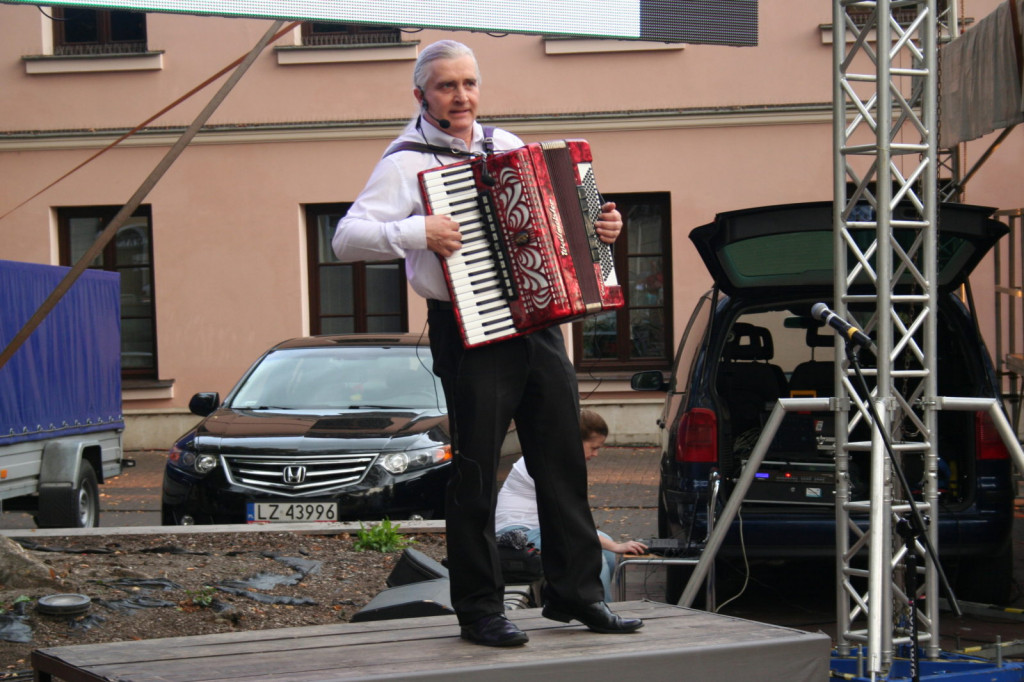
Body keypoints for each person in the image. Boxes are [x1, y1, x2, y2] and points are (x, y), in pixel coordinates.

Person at [333, 39, 642, 647]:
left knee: (563, 462)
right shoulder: (403, 163)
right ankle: (479, 610)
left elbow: (561, 223)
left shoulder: (508, 146)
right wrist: (416, 228)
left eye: (469, 83)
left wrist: (602, 228)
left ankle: (577, 596)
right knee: (474, 472)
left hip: (539, 326)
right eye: (447, 86)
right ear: (421, 94)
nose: (462, 96)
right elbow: (347, 239)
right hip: (468, 331)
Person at [495, 410, 649, 602]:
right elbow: (569, 524)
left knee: (607, 550)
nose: (596, 454)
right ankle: (596, 610)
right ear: (574, 439)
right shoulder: (546, 462)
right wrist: (617, 545)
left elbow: (573, 520)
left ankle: (598, 605)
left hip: (537, 529)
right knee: (591, 556)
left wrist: (612, 546)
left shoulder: (559, 459)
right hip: (515, 534)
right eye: (593, 447)